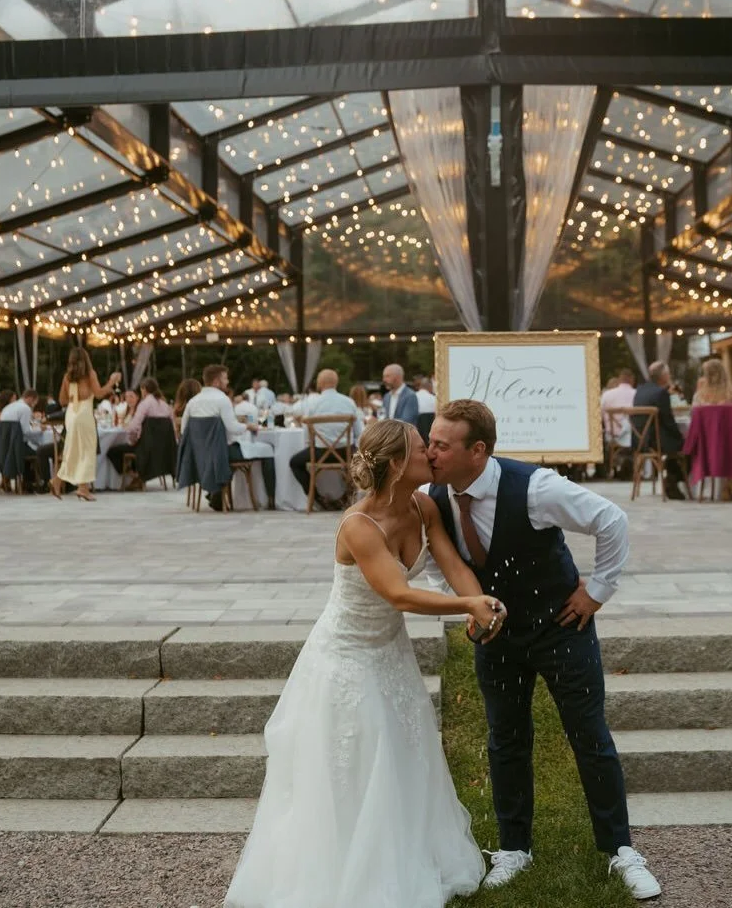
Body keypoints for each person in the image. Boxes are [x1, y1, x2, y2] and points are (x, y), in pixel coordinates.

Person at [225, 419, 500, 908]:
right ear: (397, 464)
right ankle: (342, 870)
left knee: (401, 754)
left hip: (390, 653)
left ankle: (404, 853)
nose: (432, 456)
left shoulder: (423, 504)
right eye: (422, 449)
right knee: (351, 765)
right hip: (345, 660)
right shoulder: (358, 526)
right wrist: (465, 609)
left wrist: (481, 601)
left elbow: (452, 565)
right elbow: (399, 593)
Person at [426, 400, 661, 900]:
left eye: (441, 445)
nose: (430, 452)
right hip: (497, 636)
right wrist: (468, 609)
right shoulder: (433, 496)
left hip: (560, 628)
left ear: (479, 450)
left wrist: (596, 591)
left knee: (589, 735)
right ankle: (514, 848)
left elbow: (611, 520)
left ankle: (620, 850)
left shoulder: (535, 487)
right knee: (505, 739)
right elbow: (436, 563)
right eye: (431, 441)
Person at [181, 365, 272, 511]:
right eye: (225, 378)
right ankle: (271, 499)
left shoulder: (193, 402)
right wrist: (248, 426)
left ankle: (216, 493)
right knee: (267, 450)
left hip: (199, 455)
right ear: (216, 382)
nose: (228, 381)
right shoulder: (222, 400)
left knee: (231, 454)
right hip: (220, 454)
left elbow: (183, 430)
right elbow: (233, 428)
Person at [51, 349, 121, 503]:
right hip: (84, 413)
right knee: (87, 450)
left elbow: (62, 400)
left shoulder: (67, 377)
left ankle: (62, 481)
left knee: (72, 449)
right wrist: (111, 381)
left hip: (71, 413)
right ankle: (80, 488)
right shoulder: (90, 374)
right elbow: (99, 393)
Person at [289, 368, 363, 510]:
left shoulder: (312, 404)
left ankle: (317, 498)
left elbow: (307, 435)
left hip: (320, 453)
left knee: (294, 462)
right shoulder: (348, 402)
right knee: (364, 459)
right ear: (336, 382)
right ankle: (348, 498)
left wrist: (310, 447)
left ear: (319, 383)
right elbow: (359, 432)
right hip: (345, 452)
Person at [632, 360, 688, 501]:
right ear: (663, 376)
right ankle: (672, 480)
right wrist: (681, 437)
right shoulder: (661, 393)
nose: (669, 376)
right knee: (690, 446)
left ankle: (671, 479)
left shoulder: (640, 390)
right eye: (668, 373)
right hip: (655, 440)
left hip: (640, 440)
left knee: (678, 446)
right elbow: (669, 422)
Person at [123, 377, 173, 445]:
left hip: (146, 447)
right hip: (163, 447)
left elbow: (133, 428)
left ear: (144, 389)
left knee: (112, 451)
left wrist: (132, 441)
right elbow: (172, 426)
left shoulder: (144, 404)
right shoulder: (165, 405)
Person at [600, 369, 637, 452]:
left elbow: (599, 417)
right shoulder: (638, 395)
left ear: (619, 380)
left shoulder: (606, 395)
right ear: (632, 380)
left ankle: (611, 462)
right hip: (635, 438)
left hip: (612, 437)